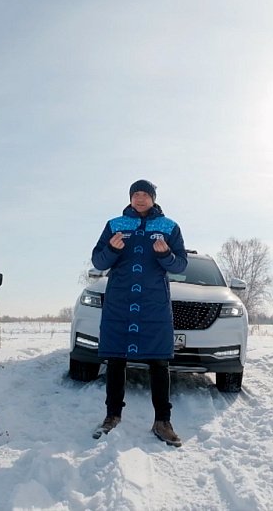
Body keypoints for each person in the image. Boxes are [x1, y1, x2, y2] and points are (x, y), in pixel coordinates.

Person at [90, 179, 188, 446]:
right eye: (136, 194)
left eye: (145, 194)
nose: (140, 198)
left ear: (154, 198)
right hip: (120, 302)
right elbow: (98, 261)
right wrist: (112, 248)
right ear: (130, 198)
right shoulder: (115, 225)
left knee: (159, 361)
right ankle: (112, 416)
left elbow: (180, 265)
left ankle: (162, 422)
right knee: (115, 359)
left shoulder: (169, 227)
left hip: (153, 304)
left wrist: (165, 254)